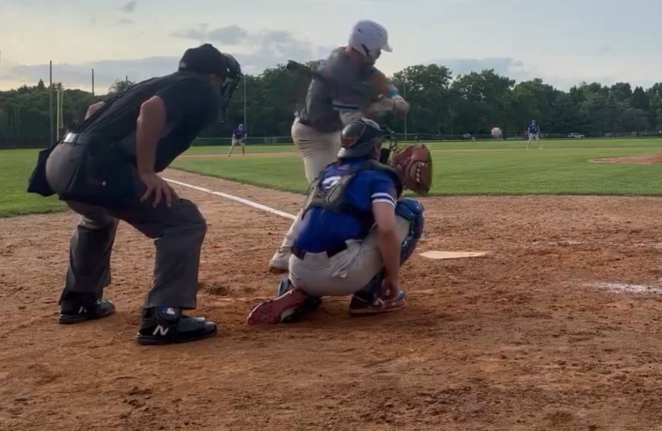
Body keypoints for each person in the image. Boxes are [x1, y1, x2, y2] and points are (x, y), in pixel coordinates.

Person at [26, 44, 242, 345]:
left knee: (98, 217)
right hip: (96, 166)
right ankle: (163, 319)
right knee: (184, 221)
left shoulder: (153, 82)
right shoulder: (200, 87)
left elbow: (95, 109)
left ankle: (79, 300)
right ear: (212, 76)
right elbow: (151, 110)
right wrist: (145, 171)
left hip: (61, 160)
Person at [247, 118, 430, 325]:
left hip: (297, 270)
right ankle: (369, 297)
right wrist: (394, 280)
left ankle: (298, 293)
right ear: (375, 146)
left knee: (340, 221)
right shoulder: (379, 177)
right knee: (410, 210)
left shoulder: (328, 172)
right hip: (341, 274)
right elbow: (387, 230)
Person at [268, 20, 409, 272]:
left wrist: (393, 94)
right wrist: (381, 106)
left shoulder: (356, 63)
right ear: (365, 47)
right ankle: (284, 254)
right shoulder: (337, 71)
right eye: (377, 50)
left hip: (333, 133)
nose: (378, 55)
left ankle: (343, 235)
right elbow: (352, 120)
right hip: (312, 134)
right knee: (323, 193)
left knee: (341, 189)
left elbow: (378, 79)